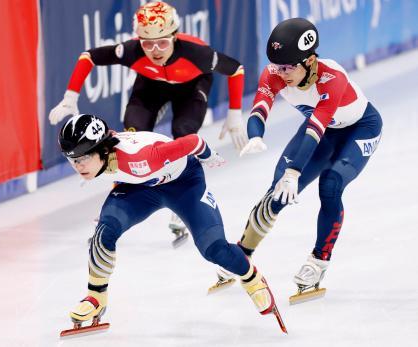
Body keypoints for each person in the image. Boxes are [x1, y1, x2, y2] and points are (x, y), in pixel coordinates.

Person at [58, 114, 287, 335]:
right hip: (140, 188)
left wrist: (208, 155)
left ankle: (252, 279)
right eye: (72, 159)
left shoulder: (142, 157)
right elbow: (119, 172)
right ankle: (96, 298)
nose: (78, 166)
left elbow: (192, 141)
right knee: (104, 232)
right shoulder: (100, 156)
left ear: (104, 149)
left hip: (183, 184)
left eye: (83, 158)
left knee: (214, 249)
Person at [49, 1, 247, 244]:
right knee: (130, 134)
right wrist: (71, 96)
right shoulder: (132, 51)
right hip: (151, 85)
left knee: (183, 134)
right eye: (147, 43)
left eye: (163, 42)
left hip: (192, 86)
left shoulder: (197, 54)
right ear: (138, 41)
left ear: (175, 37)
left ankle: (183, 199)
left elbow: (236, 69)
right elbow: (89, 56)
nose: (155, 50)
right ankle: (117, 197)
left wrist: (235, 112)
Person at [213, 18, 383, 302]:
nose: (281, 74)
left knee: (330, 185)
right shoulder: (275, 72)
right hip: (322, 132)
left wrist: (294, 171)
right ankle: (242, 253)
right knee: (275, 194)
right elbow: (259, 108)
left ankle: (318, 262)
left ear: (310, 60)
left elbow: (317, 127)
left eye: (289, 67)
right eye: (277, 67)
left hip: (358, 129)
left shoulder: (333, 78)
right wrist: (255, 135)